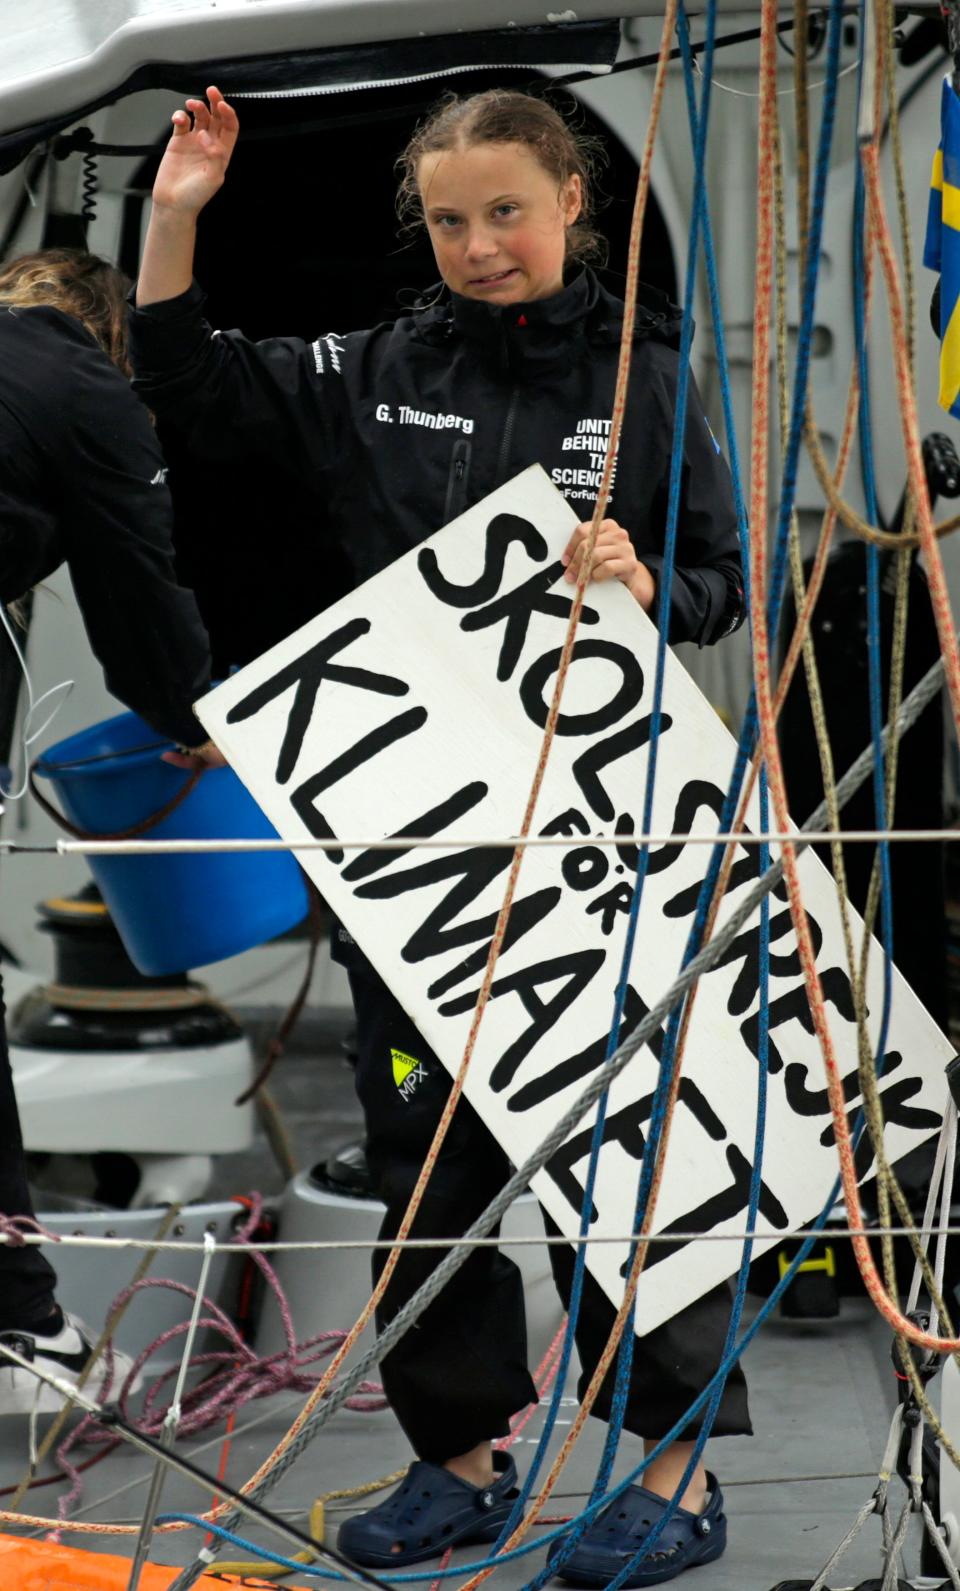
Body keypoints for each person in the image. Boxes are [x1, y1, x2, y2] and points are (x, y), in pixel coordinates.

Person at [129, 87, 747, 1587]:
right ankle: (458, 1459)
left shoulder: (647, 378)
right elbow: (196, 386)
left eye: (509, 213)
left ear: (574, 206)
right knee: (427, 1156)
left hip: (593, 850)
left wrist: (646, 580)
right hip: (408, 847)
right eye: (455, 220)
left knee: (624, 1154)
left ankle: (672, 1473)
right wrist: (174, 218)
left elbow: (722, 576)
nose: (482, 245)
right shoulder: (380, 364)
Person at [0, 247, 222, 1414]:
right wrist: (198, 719)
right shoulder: (89, 389)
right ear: (108, 333)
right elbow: (139, 589)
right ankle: (21, 1322)